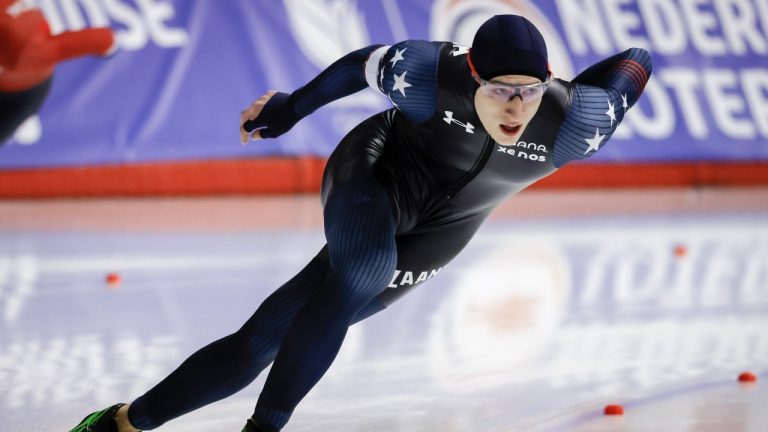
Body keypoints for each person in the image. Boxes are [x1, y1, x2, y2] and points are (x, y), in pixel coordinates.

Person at [67, 14, 652, 432]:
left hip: (445, 228)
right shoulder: (427, 71)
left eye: (529, 92)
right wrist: (289, 110)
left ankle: (123, 422)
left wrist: (571, 89)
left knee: (261, 342)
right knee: (365, 270)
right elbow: (357, 66)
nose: (516, 109)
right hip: (376, 173)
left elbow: (635, 63)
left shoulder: (579, 123)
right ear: (473, 76)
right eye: (500, 91)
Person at [0, 0, 114, 144]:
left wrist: (108, 46)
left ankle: (22, 119)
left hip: (26, 91)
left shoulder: (32, 51)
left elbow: (103, 39)